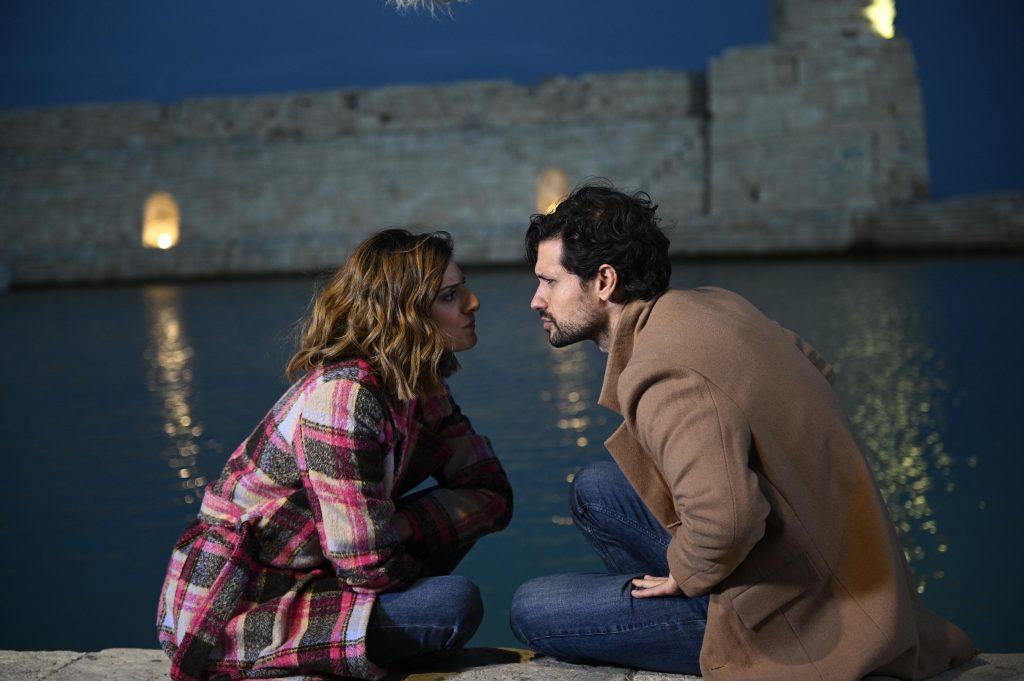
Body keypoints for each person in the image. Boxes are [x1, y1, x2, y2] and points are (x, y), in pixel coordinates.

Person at [509, 183, 975, 680]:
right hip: (846, 571)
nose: (536, 300)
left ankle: (704, 628)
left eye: (549, 282)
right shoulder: (717, 305)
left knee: (533, 608)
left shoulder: (663, 371)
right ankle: (670, 611)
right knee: (596, 489)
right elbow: (817, 368)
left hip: (797, 621)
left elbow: (729, 523)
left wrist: (686, 572)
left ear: (604, 281)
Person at [157, 229, 513, 681]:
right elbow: (367, 568)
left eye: (463, 288)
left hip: (325, 576)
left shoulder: (419, 386)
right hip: (238, 607)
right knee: (451, 604)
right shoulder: (344, 398)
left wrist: (397, 528)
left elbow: (491, 492)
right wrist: (392, 549)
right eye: (449, 295)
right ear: (403, 314)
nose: (472, 302)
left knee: (441, 591)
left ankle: (366, 637)